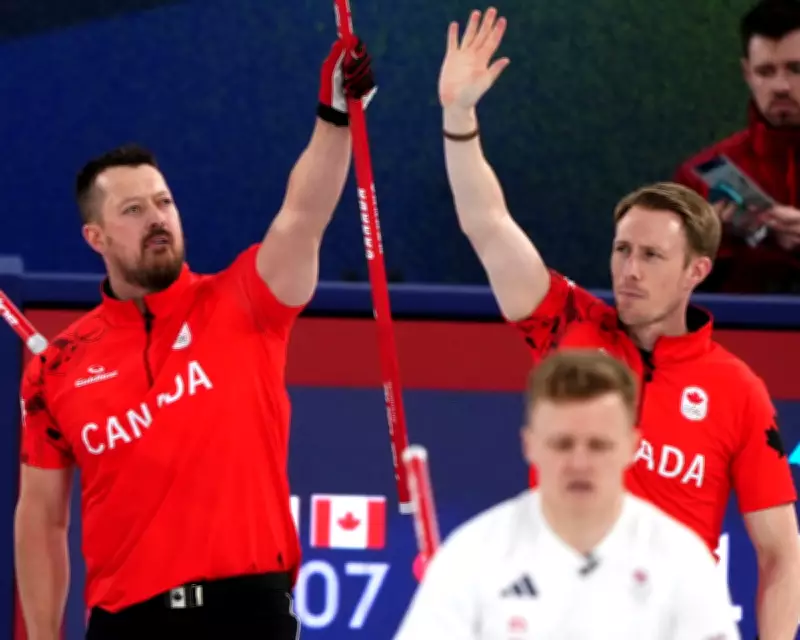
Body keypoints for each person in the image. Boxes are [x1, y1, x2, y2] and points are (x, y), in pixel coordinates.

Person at [437, 7, 800, 638]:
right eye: (621, 249)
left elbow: (781, 552)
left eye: (652, 255)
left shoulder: (738, 390)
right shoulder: (566, 325)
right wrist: (459, 119)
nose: (628, 269)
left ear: (698, 270)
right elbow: (488, 226)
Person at [13, 36, 377, 640]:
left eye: (164, 202)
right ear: (95, 238)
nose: (156, 218)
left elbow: (303, 216)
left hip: (250, 614)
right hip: (128, 623)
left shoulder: (244, 299)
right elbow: (41, 520)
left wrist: (335, 115)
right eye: (132, 210)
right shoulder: (57, 367)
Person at [394, 350, 741, 640]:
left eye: (598, 445)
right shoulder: (471, 555)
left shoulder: (682, 559)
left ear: (632, 447)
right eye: (562, 444)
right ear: (529, 445)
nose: (579, 463)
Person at [673, 0, 800, 294]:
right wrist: (716, 243)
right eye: (766, 71)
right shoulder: (697, 177)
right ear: (747, 74)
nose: (781, 86)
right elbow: (664, 295)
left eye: (796, 69)